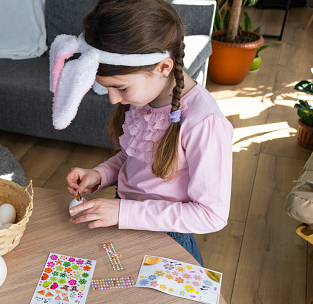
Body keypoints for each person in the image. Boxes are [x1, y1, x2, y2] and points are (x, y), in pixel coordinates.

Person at [48, 0, 233, 266]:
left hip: (166, 238)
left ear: (163, 68)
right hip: (123, 216)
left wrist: (124, 212)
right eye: (107, 88)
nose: (113, 99)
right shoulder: (143, 99)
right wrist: (100, 174)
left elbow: (210, 214)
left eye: (120, 88)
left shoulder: (205, 123)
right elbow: (132, 158)